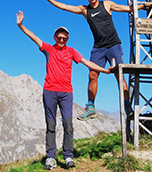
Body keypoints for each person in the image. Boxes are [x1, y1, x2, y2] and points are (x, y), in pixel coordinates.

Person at [41, 0, 152, 121]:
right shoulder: (84, 10)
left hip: (113, 45)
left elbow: (127, 9)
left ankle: (127, 106)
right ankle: (91, 108)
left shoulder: (106, 4)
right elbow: (64, 7)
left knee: (119, 74)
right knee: (92, 74)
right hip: (98, 48)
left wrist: (142, 7)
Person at [16, 10, 110, 170]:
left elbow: (87, 63)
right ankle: (51, 158)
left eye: (64, 37)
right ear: (55, 38)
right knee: (50, 126)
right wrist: (20, 25)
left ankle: (68, 157)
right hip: (49, 92)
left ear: (67, 39)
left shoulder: (71, 51)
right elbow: (33, 36)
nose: (61, 39)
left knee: (68, 125)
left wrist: (105, 70)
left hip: (66, 93)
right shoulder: (48, 49)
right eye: (59, 37)